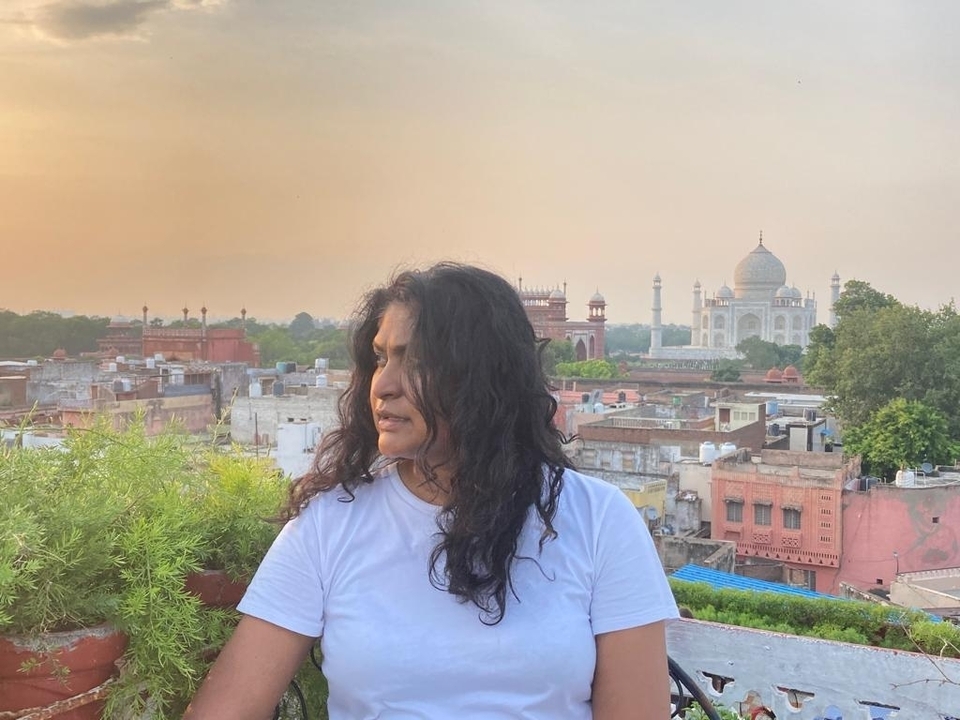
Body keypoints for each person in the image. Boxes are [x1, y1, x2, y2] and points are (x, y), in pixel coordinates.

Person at [183, 263, 678, 720]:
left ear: (484, 377)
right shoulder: (330, 525)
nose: (383, 386)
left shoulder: (597, 521)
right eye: (380, 359)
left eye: (415, 362)